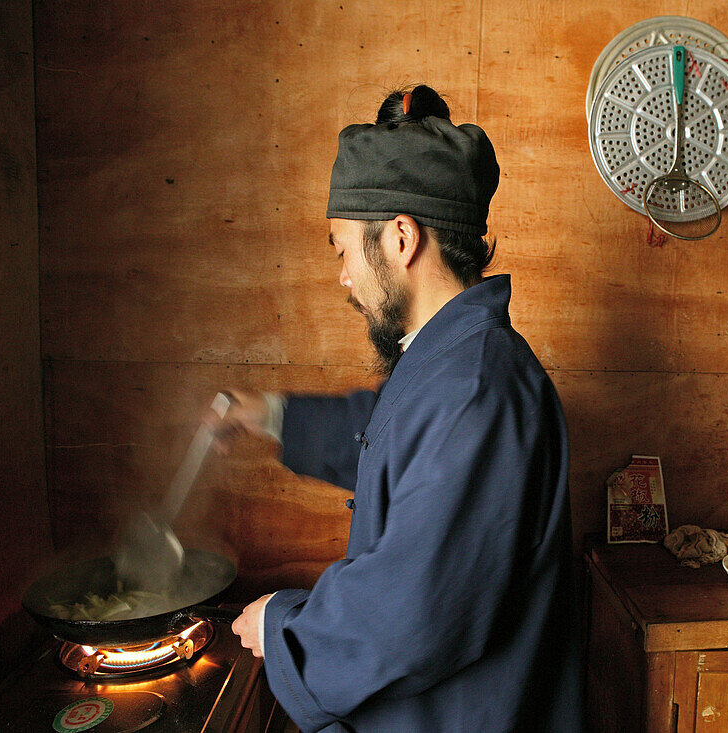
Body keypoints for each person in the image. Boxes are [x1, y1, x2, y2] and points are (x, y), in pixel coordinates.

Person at [222, 85, 582, 732]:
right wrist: (268, 415)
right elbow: (385, 436)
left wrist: (284, 627)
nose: (343, 280)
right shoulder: (451, 362)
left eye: (342, 250)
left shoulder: (477, 389)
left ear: (400, 238)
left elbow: (415, 609)